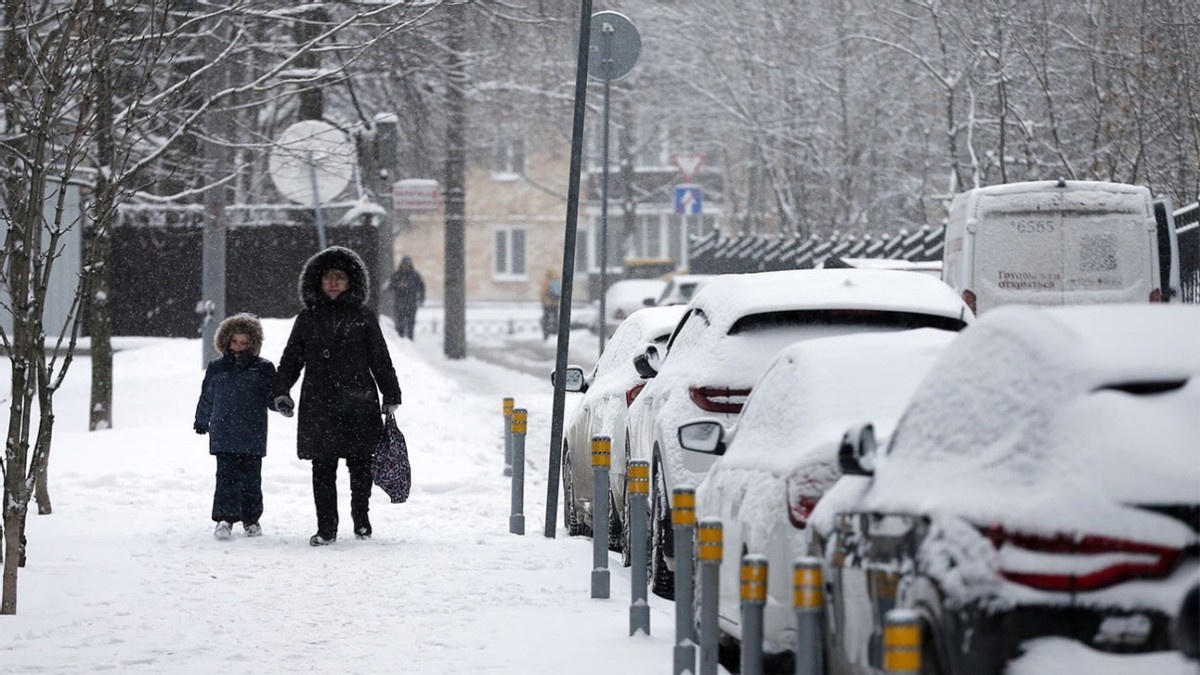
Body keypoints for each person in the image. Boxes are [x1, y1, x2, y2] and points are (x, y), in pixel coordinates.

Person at [273, 246, 402, 547]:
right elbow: (292, 359)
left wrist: (391, 392)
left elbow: (380, 358)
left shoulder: (364, 317)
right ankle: (326, 528)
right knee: (322, 467)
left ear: (350, 282)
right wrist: (281, 390)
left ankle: (361, 519)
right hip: (319, 403)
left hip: (358, 401)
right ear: (318, 281)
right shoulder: (307, 318)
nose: (333, 283)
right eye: (328, 277)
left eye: (340, 278)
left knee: (360, 466)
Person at [194, 313, 280, 540]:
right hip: (224, 433)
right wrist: (202, 419)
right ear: (226, 341)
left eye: (244, 343)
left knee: (252, 480)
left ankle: (251, 520)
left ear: (253, 343)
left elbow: (273, 397)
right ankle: (224, 519)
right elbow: (207, 396)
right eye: (234, 342)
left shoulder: (263, 369)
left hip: (253, 433)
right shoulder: (217, 368)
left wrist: (282, 404)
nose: (239, 347)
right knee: (226, 478)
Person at [389, 255, 425, 339]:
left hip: (411, 303)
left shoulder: (415, 275)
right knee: (400, 323)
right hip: (399, 302)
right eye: (404, 265)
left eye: (407, 265)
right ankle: (400, 339)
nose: (406, 267)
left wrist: (421, 298)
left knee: (411, 324)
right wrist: (398, 285)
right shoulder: (397, 275)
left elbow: (421, 287)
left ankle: (409, 341)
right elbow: (390, 285)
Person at [540, 268, 561, 340]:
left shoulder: (546, 281)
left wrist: (543, 300)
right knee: (555, 318)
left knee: (546, 319)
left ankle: (546, 334)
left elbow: (543, 292)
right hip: (555, 303)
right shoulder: (557, 280)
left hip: (547, 303)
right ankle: (555, 333)